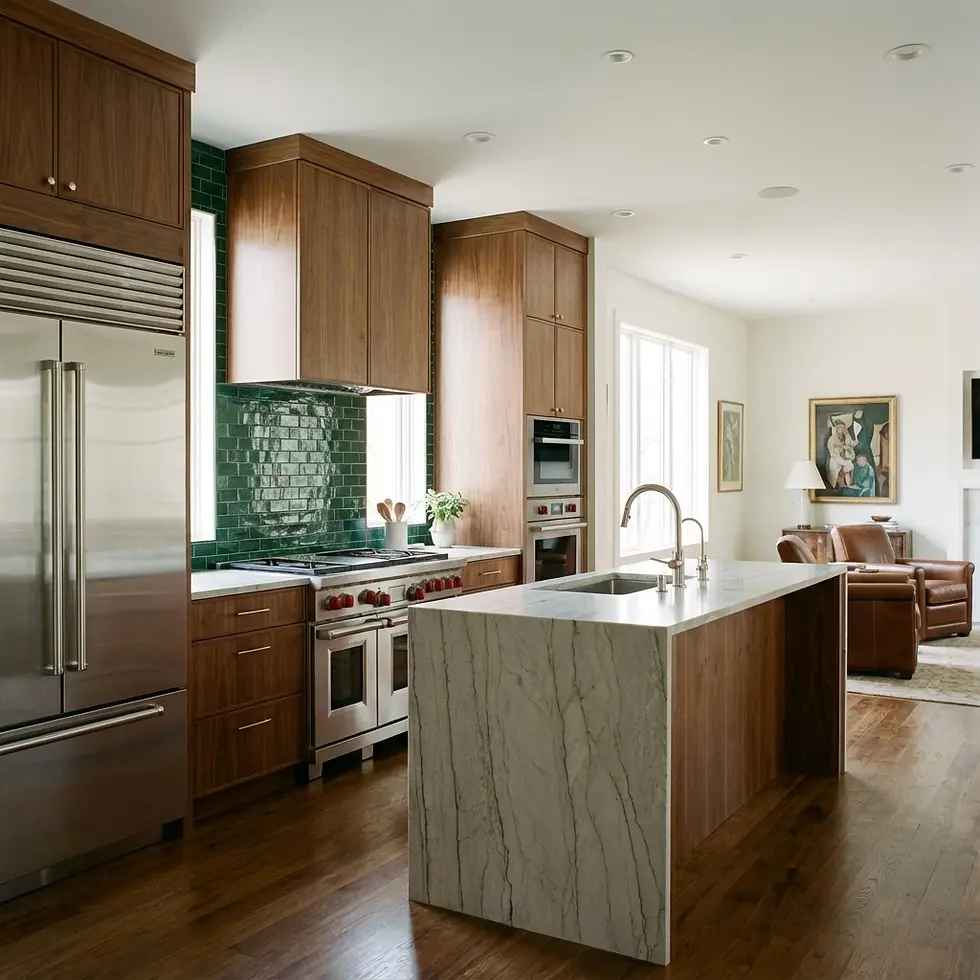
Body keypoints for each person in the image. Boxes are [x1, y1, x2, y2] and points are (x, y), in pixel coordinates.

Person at [826, 420, 857, 489]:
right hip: (836, 459)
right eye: (840, 428)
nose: (842, 429)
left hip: (845, 457)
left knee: (849, 467)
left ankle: (848, 486)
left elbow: (851, 444)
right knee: (836, 473)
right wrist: (842, 447)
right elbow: (833, 452)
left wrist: (851, 446)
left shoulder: (846, 436)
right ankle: (838, 487)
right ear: (836, 428)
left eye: (843, 428)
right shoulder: (832, 439)